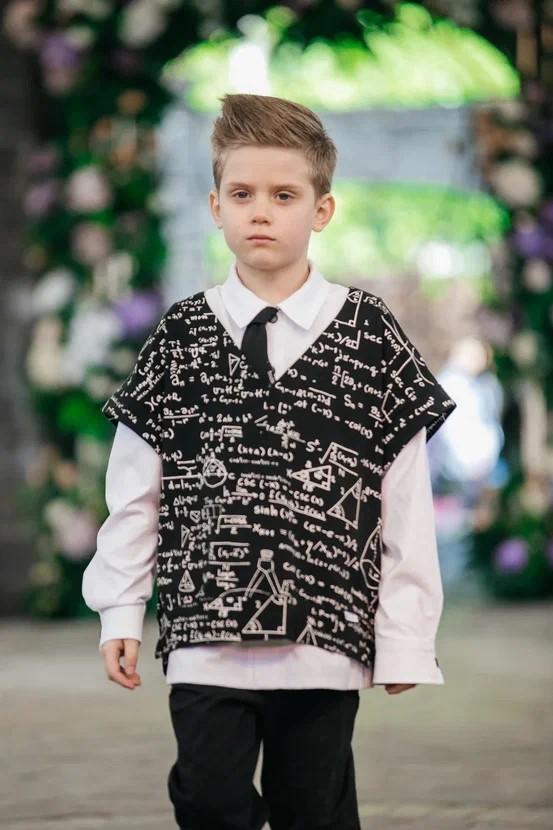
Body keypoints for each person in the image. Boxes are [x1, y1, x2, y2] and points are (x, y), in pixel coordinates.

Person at [82, 93, 457, 830]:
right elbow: (135, 492)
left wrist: (407, 637)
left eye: (284, 195)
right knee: (208, 800)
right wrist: (119, 607)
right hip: (205, 632)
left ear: (322, 210)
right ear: (215, 206)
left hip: (326, 634)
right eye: (243, 194)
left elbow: (404, 498)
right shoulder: (181, 337)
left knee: (312, 810)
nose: (261, 212)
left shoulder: (369, 334)